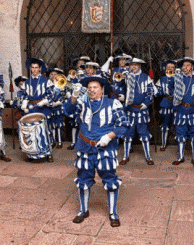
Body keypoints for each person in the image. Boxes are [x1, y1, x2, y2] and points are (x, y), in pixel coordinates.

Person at [63, 74, 129, 227]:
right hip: (85, 146)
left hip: (105, 147)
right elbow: (68, 111)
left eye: (95, 88)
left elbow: (124, 124)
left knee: (109, 178)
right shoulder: (82, 102)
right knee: (83, 178)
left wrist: (109, 136)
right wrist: (74, 95)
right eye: (90, 88)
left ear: (102, 90)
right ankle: (83, 210)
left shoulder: (113, 103)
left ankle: (113, 213)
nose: (92, 90)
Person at [120, 57, 156, 165]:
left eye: (135, 64)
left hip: (141, 110)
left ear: (139, 66)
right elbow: (122, 90)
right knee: (127, 134)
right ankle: (125, 156)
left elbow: (151, 92)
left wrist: (146, 103)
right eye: (131, 65)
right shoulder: (126, 77)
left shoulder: (146, 77)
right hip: (130, 110)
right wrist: (122, 96)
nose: (133, 67)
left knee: (144, 134)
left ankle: (148, 157)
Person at [20, 57, 54, 162]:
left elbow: (52, 95)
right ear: (30, 69)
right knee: (31, 132)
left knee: (45, 131)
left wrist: (44, 101)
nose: (34, 70)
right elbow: (24, 95)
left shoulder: (46, 81)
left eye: (36, 68)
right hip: (31, 109)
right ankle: (32, 154)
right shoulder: (27, 82)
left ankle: (49, 154)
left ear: (40, 69)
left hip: (42, 108)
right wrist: (24, 102)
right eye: (32, 67)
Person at [66, 55, 90, 150]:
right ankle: (73, 142)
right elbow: (68, 85)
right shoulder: (73, 73)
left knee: (86, 121)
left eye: (82, 62)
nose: (80, 64)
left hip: (86, 99)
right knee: (75, 122)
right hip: (76, 99)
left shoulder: (88, 73)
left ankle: (85, 142)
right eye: (79, 62)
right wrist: (70, 92)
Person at [155, 59, 176, 150]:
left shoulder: (179, 78)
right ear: (165, 68)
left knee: (178, 123)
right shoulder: (162, 79)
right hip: (166, 102)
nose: (170, 69)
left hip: (176, 103)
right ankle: (163, 143)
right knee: (165, 124)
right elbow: (157, 92)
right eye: (169, 67)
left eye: (172, 67)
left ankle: (179, 142)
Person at [47, 67, 67, 148]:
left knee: (58, 125)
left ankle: (59, 141)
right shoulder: (48, 86)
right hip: (50, 108)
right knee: (52, 125)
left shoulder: (61, 85)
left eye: (55, 74)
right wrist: (50, 102)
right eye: (51, 74)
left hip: (58, 108)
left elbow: (63, 96)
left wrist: (58, 102)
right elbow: (47, 95)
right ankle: (53, 141)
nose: (53, 76)